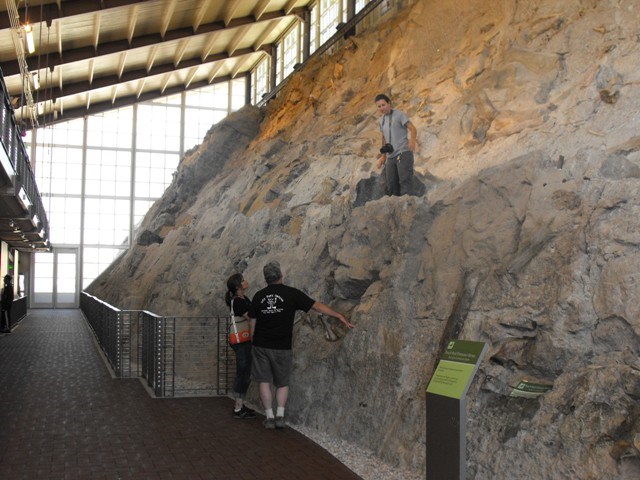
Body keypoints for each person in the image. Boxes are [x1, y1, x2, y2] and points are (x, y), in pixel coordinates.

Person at [250, 261, 354, 429]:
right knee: (282, 383)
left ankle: (269, 417)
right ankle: (280, 417)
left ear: (266, 279)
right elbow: (316, 305)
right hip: (282, 346)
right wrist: (338, 315)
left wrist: (252, 342)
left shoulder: (258, 296)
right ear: (281, 276)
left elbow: (252, 323)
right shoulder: (292, 294)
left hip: (261, 345)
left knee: (263, 381)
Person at [225, 273, 257, 419]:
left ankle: (240, 404)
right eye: (243, 280)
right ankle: (238, 407)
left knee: (245, 372)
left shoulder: (244, 299)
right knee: (242, 372)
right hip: (240, 341)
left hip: (245, 340)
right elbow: (250, 317)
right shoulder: (237, 301)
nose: (246, 281)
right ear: (238, 286)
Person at [374, 93, 418, 196]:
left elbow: (413, 128)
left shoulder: (399, 115)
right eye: (379, 106)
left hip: (403, 153)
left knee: (405, 183)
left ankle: (409, 208)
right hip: (390, 157)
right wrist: (383, 157)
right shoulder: (381, 121)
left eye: (383, 105)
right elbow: (384, 138)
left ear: (389, 103)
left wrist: (412, 141)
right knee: (391, 186)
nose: (382, 108)